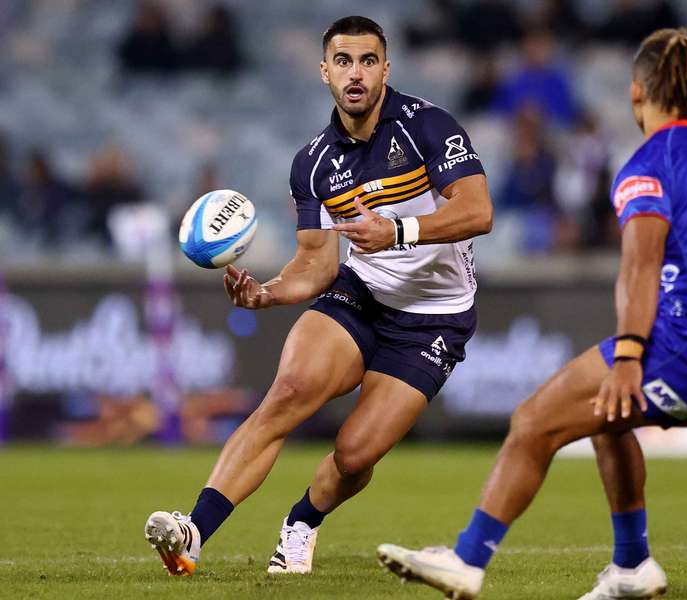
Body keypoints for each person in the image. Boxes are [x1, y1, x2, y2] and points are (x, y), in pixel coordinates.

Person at [376, 28, 687, 600]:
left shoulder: (650, 162)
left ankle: (467, 559)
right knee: (609, 420)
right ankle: (632, 566)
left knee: (533, 421)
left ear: (637, 94)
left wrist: (629, 354)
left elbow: (639, 266)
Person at [143, 16, 493, 576]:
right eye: (345, 62)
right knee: (287, 394)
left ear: (386, 68)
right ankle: (192, 533)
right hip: (363, 295)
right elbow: (315, 264)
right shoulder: (313, 164)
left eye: (368, 60)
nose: (356, 73)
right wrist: (269, 293)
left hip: (434, 320)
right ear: (324, 71)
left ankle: (302, 521)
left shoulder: (427, 126)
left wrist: (398, 232)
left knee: (355, 455)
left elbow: (479, 211)